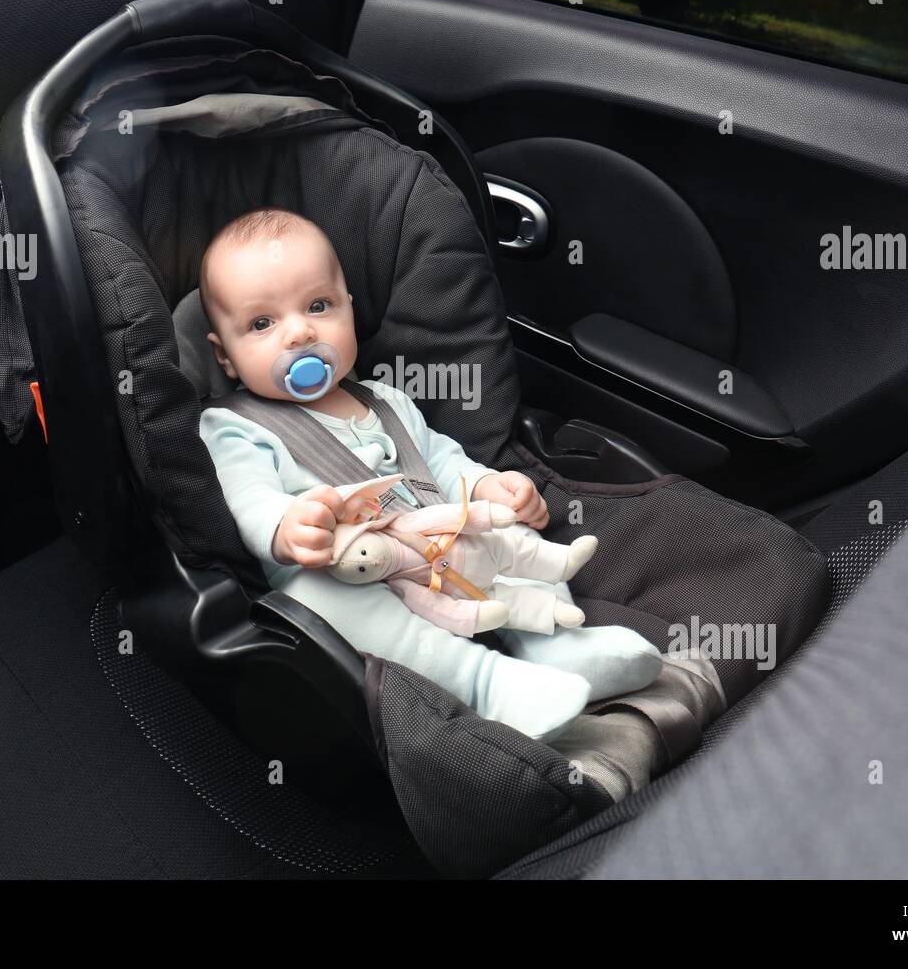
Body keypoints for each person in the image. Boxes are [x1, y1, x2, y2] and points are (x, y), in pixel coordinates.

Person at [197, 206, 718, 799]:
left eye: (318, 307)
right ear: (224, 355)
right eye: (263, 323)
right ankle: (489, 684)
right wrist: (286, 526)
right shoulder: (237, 426)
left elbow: (440, 463)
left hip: (443, 545)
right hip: (353, 572)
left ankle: (556, 644)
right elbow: (246, 496)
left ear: (347, 307)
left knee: (510, 540)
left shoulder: (386, 400)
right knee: (314, 602)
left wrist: (486, 486)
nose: (299, 333)